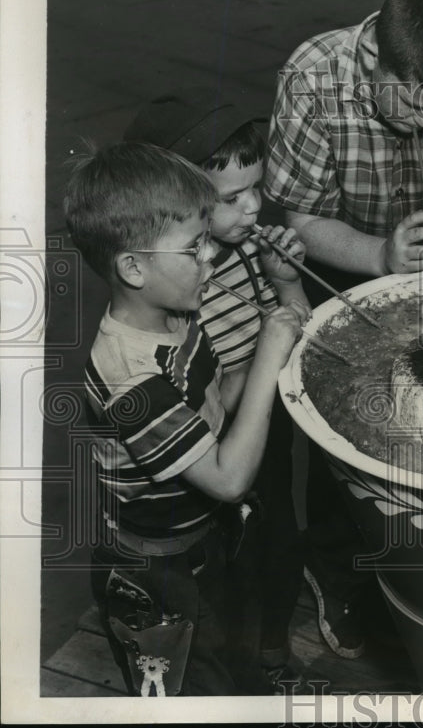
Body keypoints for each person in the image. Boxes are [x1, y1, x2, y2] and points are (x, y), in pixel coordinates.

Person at [263, 0, 423, 658]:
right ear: (381, 63)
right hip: (340, 253)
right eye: (416, 107)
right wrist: (379, 256)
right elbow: (301, 218)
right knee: (350, 423)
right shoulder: (314, 75)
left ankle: (407, 554)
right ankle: (332, 566)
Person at [64, 142, 304, 695]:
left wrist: (271, 354)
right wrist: (268, 354)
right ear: (133, 268)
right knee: (187, 687)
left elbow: (215, 396)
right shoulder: (130, 378)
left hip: (203, 540)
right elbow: (228, 478)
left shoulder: (177, 319)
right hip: (157, 570)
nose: (210, 258)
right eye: (193, 249)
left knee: (231, 654)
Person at [124, 88, 313, 687]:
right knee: (230, 557)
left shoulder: (247, 248)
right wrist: (265, 351)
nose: (254, 210)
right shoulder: (176, 279)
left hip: (264, 418)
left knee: (278, 532)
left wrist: (285, 284)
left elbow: (297, 329)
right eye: (232, 199)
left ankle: (273, 651)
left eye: (257, 190)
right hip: (212, 436)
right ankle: (236, 664)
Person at [265, 0, 423, 288]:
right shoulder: (309, 79)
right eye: (411, 103)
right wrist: (380, 255)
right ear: (370, 52)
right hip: (338, 265)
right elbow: (304, 220)